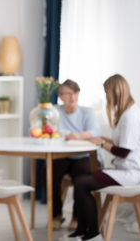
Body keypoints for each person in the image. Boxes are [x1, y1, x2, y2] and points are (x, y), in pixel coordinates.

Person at [63, 74, 140, 241]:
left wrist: (102, 144)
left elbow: (123, 152)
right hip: (125, 169)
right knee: (80, 179)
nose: (107, 98)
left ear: (115, 93)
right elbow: (122, 143)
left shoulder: (130, 116)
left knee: (81, 184)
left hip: (131, 173)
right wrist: (104, 139)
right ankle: (80, 231)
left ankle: (93, 234)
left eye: (108, 94)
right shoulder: (126, 113)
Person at [41, 79, 102, 231]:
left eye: (75, 93)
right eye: (68, 93)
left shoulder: (87, 112)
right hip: (62, 155)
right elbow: (42, 128)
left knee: (82, 176)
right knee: (47, 173)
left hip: (83, 156)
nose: (73, 97)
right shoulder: (54, 111)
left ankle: (76, 217)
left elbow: (95, 132)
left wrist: (78, 136)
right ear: (60, 96)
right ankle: (56, 215)